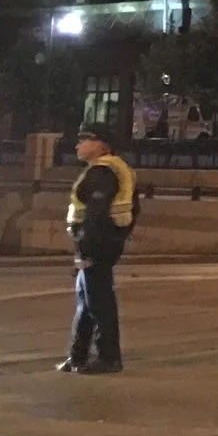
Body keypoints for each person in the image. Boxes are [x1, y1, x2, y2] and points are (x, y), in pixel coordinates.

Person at [62, 127, 136, 374]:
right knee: (86, 300)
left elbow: (95, 215)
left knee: (98, 301)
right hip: (100, 243)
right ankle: (78, 356)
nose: (77, 145)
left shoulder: (103, 173)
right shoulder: (108, 170)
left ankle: (108, 357)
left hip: (97, 244)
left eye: (84, 140)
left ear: (101, 145)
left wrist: (87, 250)